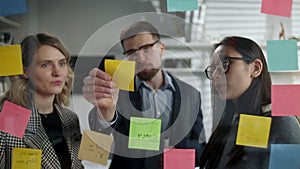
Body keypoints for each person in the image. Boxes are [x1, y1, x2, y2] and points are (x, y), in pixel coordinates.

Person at [83, 21, 206, 168]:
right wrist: (105, 111)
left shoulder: (190, 95)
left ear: (161, 48)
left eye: (146, 48)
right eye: (131, 52)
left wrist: (178, 153)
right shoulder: (118, 93)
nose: (140, 58)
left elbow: (201, 149)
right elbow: (97, 141)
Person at [199, 36, 300, 169]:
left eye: (225, 64)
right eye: (213, 69)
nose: (216, 75)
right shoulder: (230, 120)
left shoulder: (279, 122)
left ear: (256, 68)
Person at [0, 32, 84, 169]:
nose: (57, 72)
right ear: (25, 71)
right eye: (46, 65)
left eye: (62, 63)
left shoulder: (70, 118)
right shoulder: (7, 118)